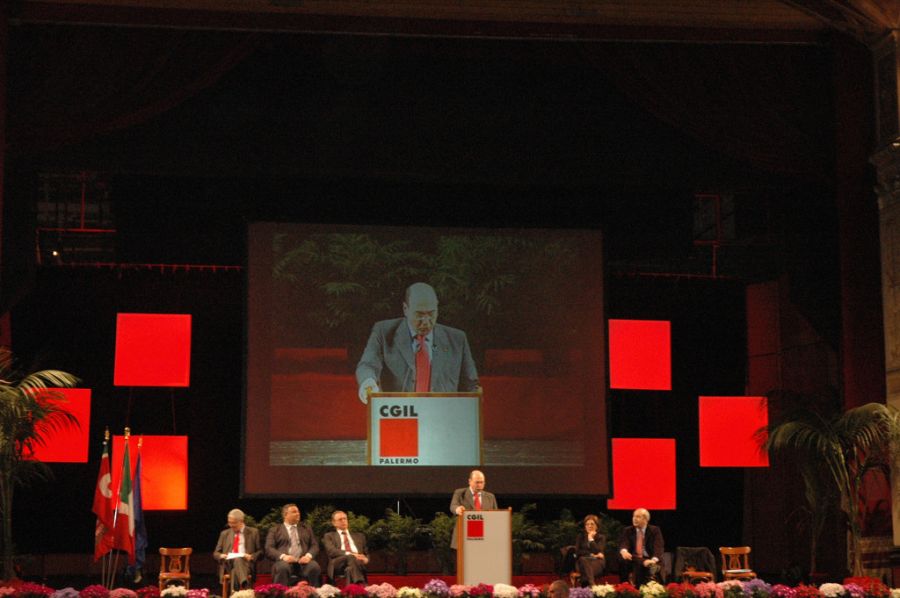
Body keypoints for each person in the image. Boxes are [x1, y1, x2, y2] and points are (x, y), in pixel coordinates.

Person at [356, 282, 479, 404]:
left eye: (431, 314)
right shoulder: (384, 332)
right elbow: (368, 364)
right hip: (399, 412)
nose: (426, 321)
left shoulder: (457, 339)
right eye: (419, 315)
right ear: (405, 309)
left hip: (443, 412)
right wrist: (368, 382)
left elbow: (471, 385)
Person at [265, 503, 321, 586]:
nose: (298, 514)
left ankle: (314, 592)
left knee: (314, 567)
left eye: (298, 511)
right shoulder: (275, 530)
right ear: (285, 515)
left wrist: (308, 556)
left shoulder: (306, 528)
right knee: (282, 568)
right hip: (284, 562)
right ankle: (280, 592)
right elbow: (269, 548)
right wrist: (283, 557)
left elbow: (314, 545)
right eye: (294, 512)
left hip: (303, 561)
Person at [214, 508, 263, 591]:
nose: (231, 525)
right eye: (229, 522)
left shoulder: (253, 532)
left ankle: (235, 593)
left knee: (235, 568)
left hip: (246, 564)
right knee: (237, 560)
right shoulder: (224, 534)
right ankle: (245, 586)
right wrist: (221, 555)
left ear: (241, 521)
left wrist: (251, 556)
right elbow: (216, 553)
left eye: (233, 523)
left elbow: (261, 552)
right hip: (228, 564)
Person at [449, 469, 498, 547]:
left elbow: (496, 516)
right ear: (470, 481)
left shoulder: (490, 497)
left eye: (482, 482)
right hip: (465, 535)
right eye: (477, 482)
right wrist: (457, 509)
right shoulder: (460, 493)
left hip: (484, 537)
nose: (479, 485)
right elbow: (453, 506)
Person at [618, 508, 664, 586]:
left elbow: (658, 547)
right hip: (633, 558)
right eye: (634, 516)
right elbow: (624, 543)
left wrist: (653, 560)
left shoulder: (655, 530)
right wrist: (624, 551)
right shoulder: (628, 530)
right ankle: (624, 586)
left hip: (650, 558)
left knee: (652, 566)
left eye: (638, 517)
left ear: (646, 519)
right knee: (623, 558)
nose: (634, 519)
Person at [322, 510, 369, 584]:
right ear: (334, 523)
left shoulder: (360, 536)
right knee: (351, 557)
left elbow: (366, 553)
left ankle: (352, 589)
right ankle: (360, 584)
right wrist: (351, 554)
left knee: (349, 569)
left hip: (357, 562)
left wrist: (366, 559)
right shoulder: (329, 536)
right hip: (338, 563)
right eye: (340, 519)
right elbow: (331, 551)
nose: (343, 521)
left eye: (345, 519)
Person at [574, 514, 606, 586]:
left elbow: (598, 550)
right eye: (587, 524)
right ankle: (592, 584)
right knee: (583, 559)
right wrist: (590, 554)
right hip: (581, 563)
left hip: (597, 562)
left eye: (592, 524)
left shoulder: (601, 537)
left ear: (597, 526)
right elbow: (577, 552)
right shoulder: (580, 537)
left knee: (586, 569)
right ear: (585, 526)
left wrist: (591, 539)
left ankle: (584, 583)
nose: (589, 526)